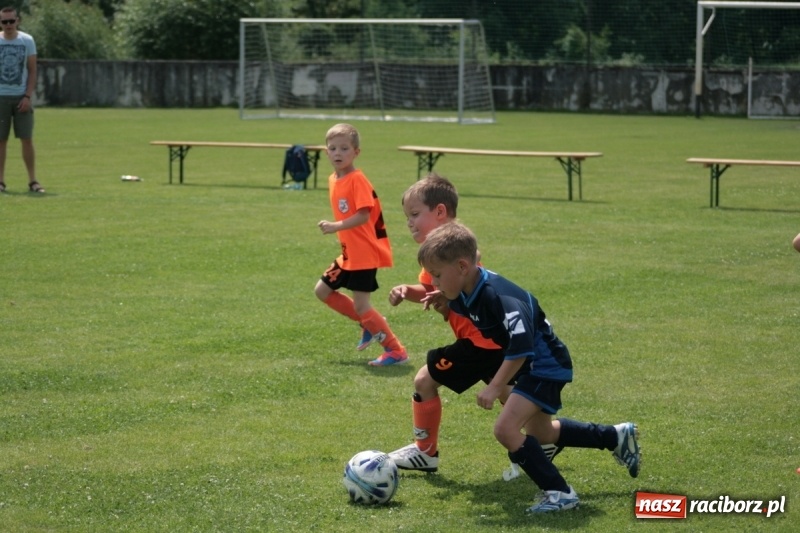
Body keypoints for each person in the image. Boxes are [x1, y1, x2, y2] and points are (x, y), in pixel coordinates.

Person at [416, 221, 641, 514]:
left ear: (461, 266)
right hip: (535, 366)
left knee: (505, 429)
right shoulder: (465, 288)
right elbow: (467, 305)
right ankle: (615, 436)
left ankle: (561, 494)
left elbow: (521, 348)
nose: (433, 282)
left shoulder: (499, 296)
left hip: (544, 366)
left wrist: (495, 386)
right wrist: (443, 296)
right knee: (543, 434)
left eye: (436, 275)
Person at [386, 174, 561, 474]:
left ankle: (425, 452)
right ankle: (564, 439)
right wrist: (407, 291)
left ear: (440, 212)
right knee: (520, 405)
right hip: (493, 344)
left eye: (415, 215)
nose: (409, 223)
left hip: (480, 344)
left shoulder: (452, 247)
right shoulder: (437, 253)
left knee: (424, 381)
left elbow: (473, 260)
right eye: (407, 217)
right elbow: (434, 292)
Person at [315, 123, 407, 366]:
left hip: (364, 253)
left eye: (344, 148)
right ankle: (368, 322)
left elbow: (364, 215)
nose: (337, 153)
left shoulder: (357, 180)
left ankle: (395, 350)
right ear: (326, 152)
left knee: (361, 304)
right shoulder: (334, 178)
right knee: (322, 291)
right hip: (348, 254)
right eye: (333, 148)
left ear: (356, 153)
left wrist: (335, 226)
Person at [0, 6, 42, 194]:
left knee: (26, 139)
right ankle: (0, 181)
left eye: (11, 21)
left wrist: (27, 96)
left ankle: (33, 181)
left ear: (18, 20)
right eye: (4, 21)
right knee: (1, 141)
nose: (8, 25)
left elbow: (32, 69)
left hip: (20, 97)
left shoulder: (27, 41)